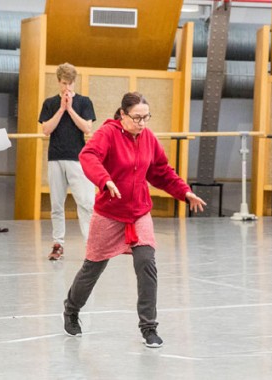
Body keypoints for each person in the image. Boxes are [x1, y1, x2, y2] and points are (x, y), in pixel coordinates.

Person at [62, 92, 206, 348]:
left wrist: (184, 191)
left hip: (138, 212)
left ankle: (149, 327)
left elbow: (161, 171)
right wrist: (104, 179)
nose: (141, 123)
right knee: (92, 268)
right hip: (108, 213)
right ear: (123, 114)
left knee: (146, 263)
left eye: (146, 118)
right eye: (137, 117)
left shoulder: (148, 138)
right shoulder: (107, 133)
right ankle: (71, 309)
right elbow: (89, 156)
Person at [39, 62, 96, 260]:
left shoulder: (84, 102)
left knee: (86, 203)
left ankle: (91, 245)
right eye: (64, 83)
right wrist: (61, 109)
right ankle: (58, 244)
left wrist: (70, 109)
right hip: (55, 158)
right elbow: (46, 129)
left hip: (78, 159)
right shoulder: (49, 103)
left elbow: (87, 128)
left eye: (71, 84)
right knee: (56, 205)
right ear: (58, 82)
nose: (67, 88)